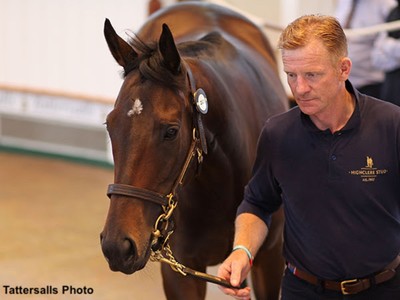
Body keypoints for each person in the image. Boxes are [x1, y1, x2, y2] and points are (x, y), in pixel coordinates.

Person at [218, 14, 400, 300]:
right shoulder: (277, 134)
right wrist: (242, 251)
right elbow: (257, 203)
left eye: (312, 75)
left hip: (384, 289)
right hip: (302, 290)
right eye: (291, 75)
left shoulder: (392, 125)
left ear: (343, 69)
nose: (299, 88)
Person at [335, 0, 396, 98]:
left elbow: (386, 48)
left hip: (370, 84)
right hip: (343, 82)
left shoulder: (386, 4)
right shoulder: (344, 2)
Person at [372, 0, 400, 106]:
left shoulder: (385, 3)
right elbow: (377, 58)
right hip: (391, 94)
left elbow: (383, 45)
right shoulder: (394, 12)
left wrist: (387, 46)